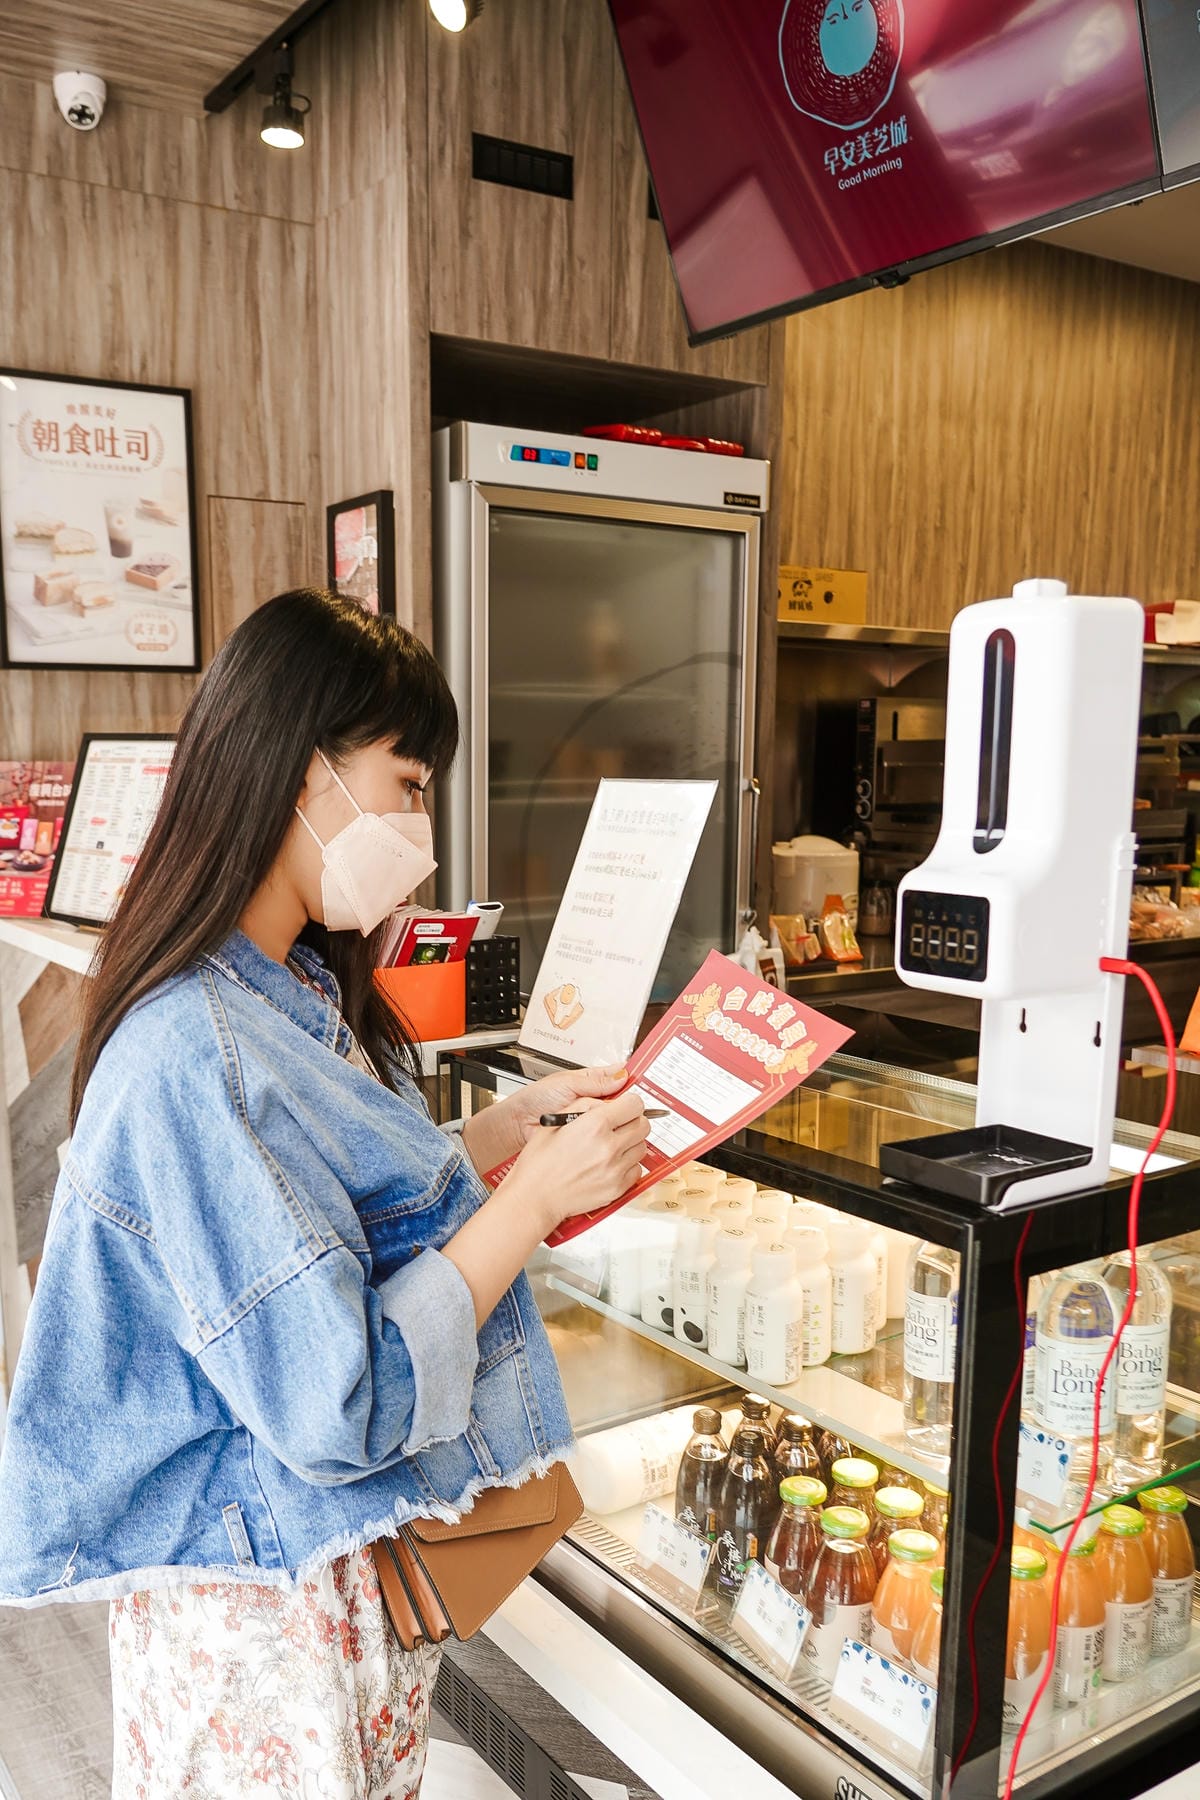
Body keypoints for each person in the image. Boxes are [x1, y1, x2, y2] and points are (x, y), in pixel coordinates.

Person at [0, 589, 648, 1799]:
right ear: (307, 777)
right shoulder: (201, 1050)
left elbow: (319, 1209)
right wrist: (530, 1204)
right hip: (263, 1642)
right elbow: (334, 1402)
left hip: (315, 1588)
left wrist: (503, 1136)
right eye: (407, 784)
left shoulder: (275, 985)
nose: (421, 828)